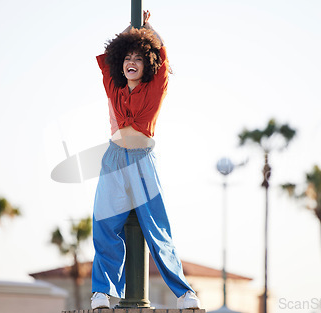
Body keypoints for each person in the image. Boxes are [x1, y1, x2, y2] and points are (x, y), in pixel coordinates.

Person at [90, 11, 201, 310]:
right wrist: (131, 29)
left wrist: (148, 27)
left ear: (146, 64)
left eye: (138, 58)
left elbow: (162, 56)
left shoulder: (155, 87)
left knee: (156, 226)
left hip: (141, 161)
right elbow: (109, 54)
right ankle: (102, 292)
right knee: (103, 224)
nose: (131, 63)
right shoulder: (114, 86)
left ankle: (184, 294)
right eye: (127, 57)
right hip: (113, 161)